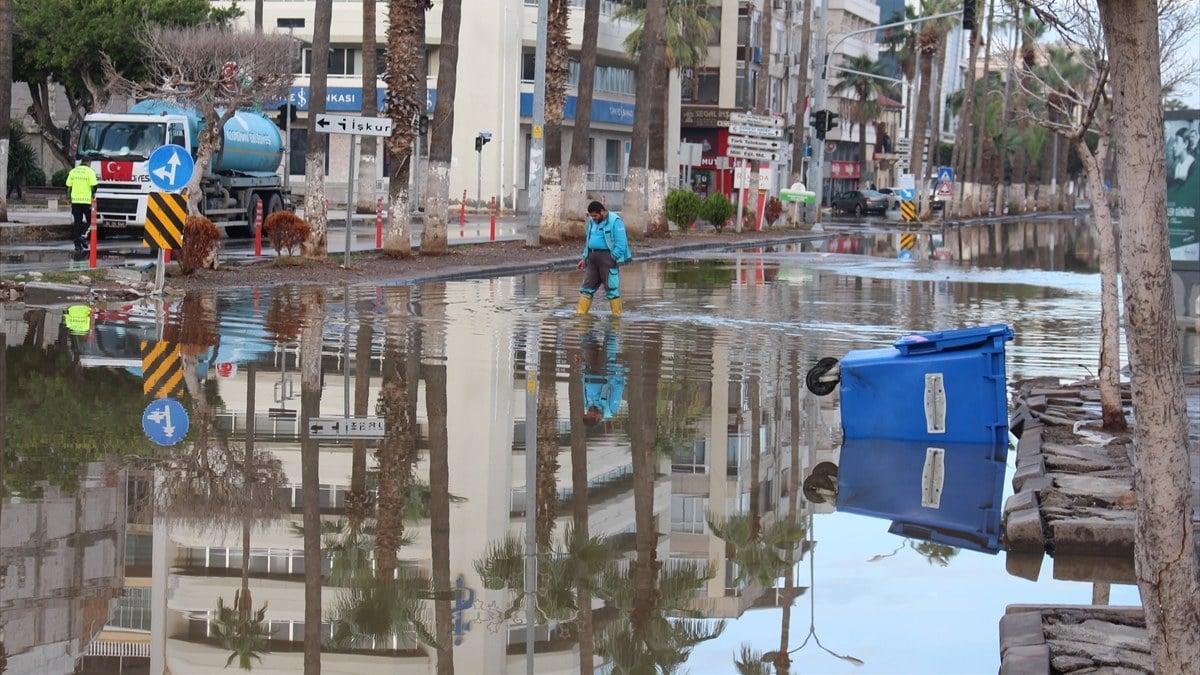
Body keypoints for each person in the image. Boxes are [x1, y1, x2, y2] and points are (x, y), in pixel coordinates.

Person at [576, 200, 632, 316]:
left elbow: (621, 243)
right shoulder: (592, 222)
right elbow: (588, 241)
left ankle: (616, 317)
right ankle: (580, 316)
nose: (594, 218)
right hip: (592, 259)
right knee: (586, 289)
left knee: (612, 289)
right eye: (592, 216)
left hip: (608, 259)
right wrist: (584, 258)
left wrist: (612, 257)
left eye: (595, 215)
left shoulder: (615, 221)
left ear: (602, 211)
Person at [578, 319, 626, 426]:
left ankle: (588, 319)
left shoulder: (586, 404)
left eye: (587, 413)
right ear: (598, 418)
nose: (589, 411)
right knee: (610, 341)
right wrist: (615, 369)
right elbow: (618, 386)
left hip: (589, 369)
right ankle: (613, 319)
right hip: (605, 370)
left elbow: (584, 386)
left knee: (585, 339)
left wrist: (582, 366)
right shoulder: (611, 408)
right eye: (591, 414)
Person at [65, 161, 98, 253]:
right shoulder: (90, 171)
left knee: (77, 223)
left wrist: (68, 198)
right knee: (91, 221)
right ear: (88, 162)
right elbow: (95, 185)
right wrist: (92, 194)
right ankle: (83, 236)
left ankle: (77, 246)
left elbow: (68, 186)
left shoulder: (73, 171)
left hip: (75, 201)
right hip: (86, 201)